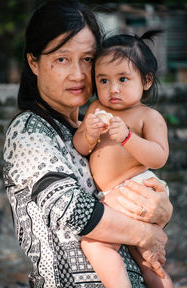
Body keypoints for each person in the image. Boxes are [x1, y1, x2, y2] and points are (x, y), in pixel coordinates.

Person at [3, 1, 173, 287]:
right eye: (62, 59)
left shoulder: (95, 126)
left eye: (87, 59)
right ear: (34, 62)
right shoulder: (30, 130)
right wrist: (144, 233)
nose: (78, 74)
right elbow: (72, 209)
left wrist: (159, 211)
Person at [73, 31, 173, 288]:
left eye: (123, 79)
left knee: (95, 243)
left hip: (136, 190)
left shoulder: (147, 117)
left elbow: (159, 156)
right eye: (103, 80)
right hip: (113, 195)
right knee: (147, 260)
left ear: (147, 81)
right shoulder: (96, 109)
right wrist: (89, 133)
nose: (112, 89)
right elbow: (80, 147)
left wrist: (128, 138)